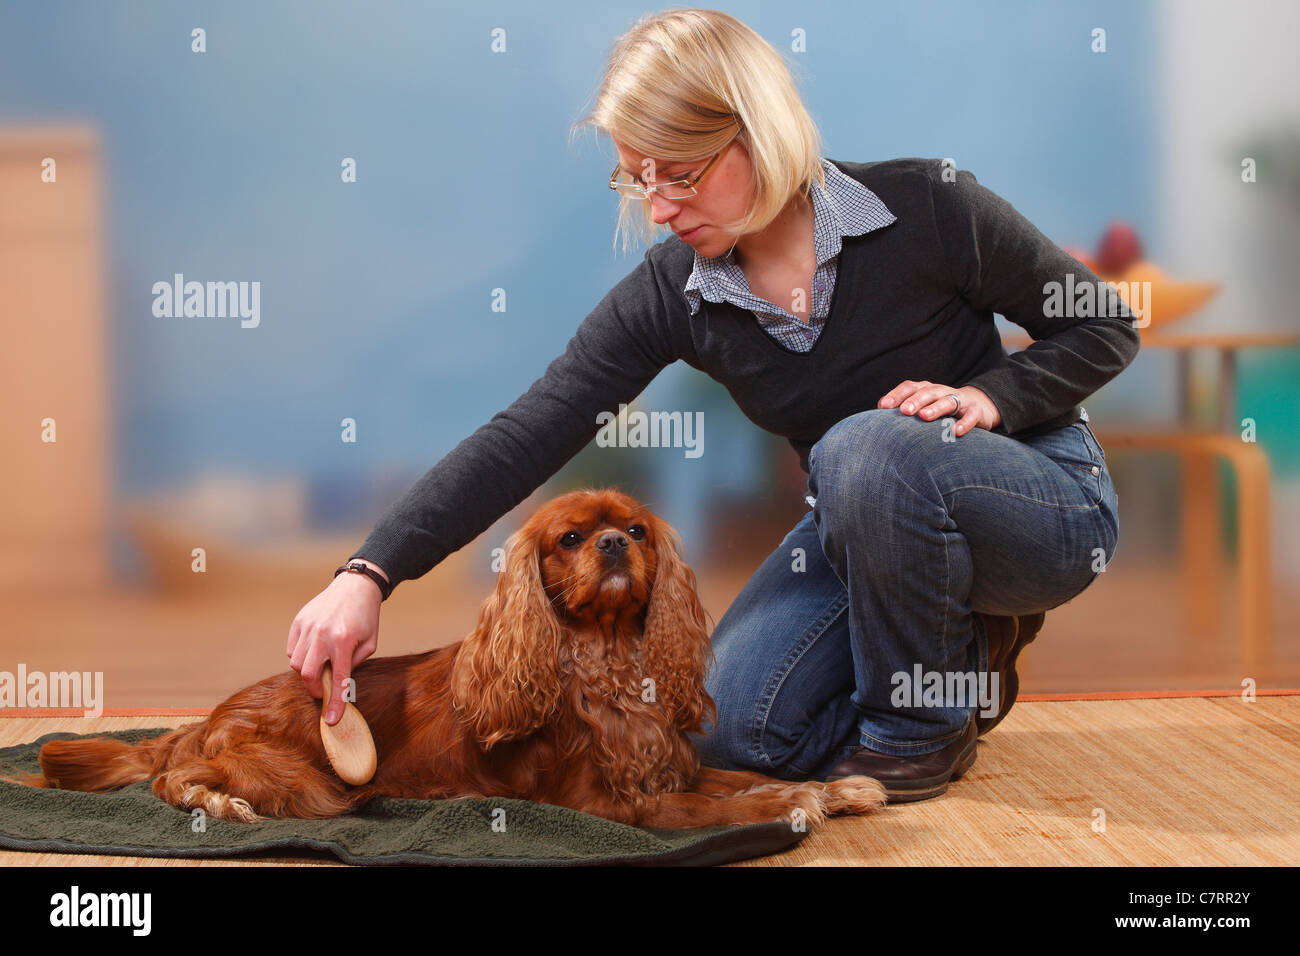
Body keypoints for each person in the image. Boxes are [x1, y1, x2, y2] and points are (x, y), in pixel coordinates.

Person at [286, 8, 1138, 803]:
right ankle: (957, 663)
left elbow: (1106, 325)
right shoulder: (677, 291)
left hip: (1044, 501)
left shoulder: (930, 205)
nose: (659, 211)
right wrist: (368, 573)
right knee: (724, 733)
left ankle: (916, 731)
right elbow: (528, 431)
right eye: (637, 183)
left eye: (680, 176)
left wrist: (990, 395)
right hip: (864, 527)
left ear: (754, 133)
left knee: (860, 449)